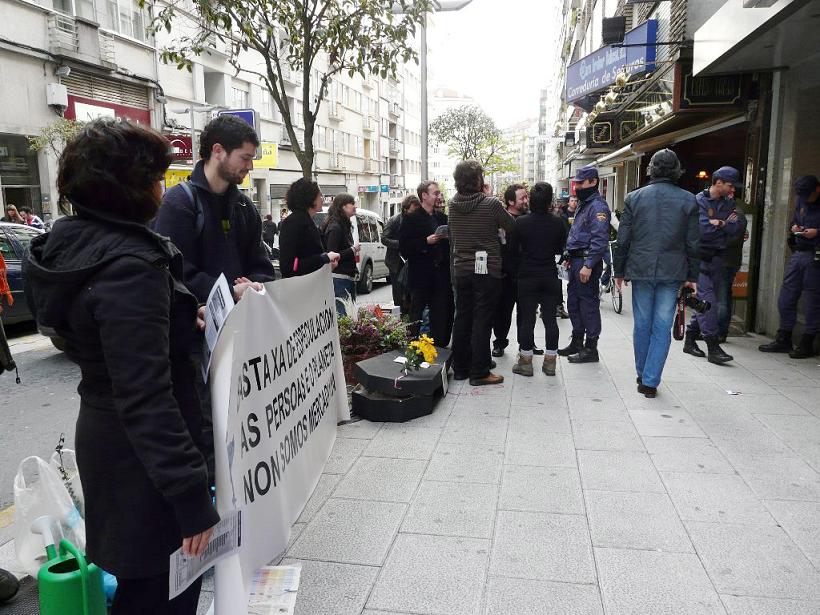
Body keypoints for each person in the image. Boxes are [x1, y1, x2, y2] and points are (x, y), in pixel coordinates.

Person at [24, 119, 218, 614]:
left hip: (110, 442)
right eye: (154, 178)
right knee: (164, 592)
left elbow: (111, 343)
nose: (160, 188)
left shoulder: (76, 246)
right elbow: (146, 396)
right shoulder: (130, 266)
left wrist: (179, 320)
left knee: (141, 586)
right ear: (126, 187)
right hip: (147, 464)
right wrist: (191, 497)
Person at [154, 114, 276, 304]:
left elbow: (263, 267)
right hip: (198, 328)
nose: (250, 166)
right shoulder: (177, 203)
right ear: (218, 150)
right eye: (245, 158)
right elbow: (175, 275)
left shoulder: (245, 207)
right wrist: (231, 291)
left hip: (245, 324)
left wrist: (254, 285)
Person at [614, 149, 700, 398]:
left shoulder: (634, 197)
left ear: (651, 169)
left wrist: (619, 270)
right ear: (676, 170)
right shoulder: (688, 200)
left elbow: (624, 239)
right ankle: (650, 381)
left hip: (640, 267)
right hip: (673, 270)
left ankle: (642, 373)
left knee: (642, 323)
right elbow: (693, 242)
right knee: (662, 326)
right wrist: (693, 276)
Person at [448, 160, 515, 385]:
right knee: (482, 320)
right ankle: (479, 371)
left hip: (461, 270)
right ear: (478, 180)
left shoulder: (452, 205)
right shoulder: (492, 204)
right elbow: (512, 226)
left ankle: (460, 367)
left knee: (463, 318)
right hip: (487, 271)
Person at [683, 166, 744, 364]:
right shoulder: (698, 201)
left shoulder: (729, 202)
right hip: (698, 260)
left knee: (705, 301)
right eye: (729, 185)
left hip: (718, 259)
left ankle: (690, 339)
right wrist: (721, 226)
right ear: (718, 182)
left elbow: (738, 228)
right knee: (708, 302)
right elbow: (703, 231)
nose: (732, 189)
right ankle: (712, 345)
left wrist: (722, 224)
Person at [759, 175, 820, 358]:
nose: (804, 199)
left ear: (817, 189)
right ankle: (784, 337)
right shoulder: (800, 199)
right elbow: (794, 218)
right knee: (786, 297)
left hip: (816, 255)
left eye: (807, 195)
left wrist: (817, 232)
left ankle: (807, 342)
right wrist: (795, 227)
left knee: (812, 301)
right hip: (799, 252)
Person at [509, 182, 566, 376]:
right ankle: (550, 362)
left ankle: (526, 362)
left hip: (527, 275)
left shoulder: (521, 223)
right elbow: (560, 249)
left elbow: (512, 250)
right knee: (550, 319)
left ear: (531, 200)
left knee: (527, 319)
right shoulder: (558, 222)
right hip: (549, 275)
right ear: (549, 201)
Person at [560, 166, 611, 363]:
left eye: (581, 183)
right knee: (573, 302)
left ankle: (591, 348)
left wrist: (589, 264)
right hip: (576, 260)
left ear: (593, 182)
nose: (577, 187)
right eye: (576, 183)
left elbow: (599, 239)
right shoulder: (584, 203)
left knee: (588, 305)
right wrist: (569, 254)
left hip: (586, 262)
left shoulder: (597, 206)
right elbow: (579, 234)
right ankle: (577, 341)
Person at [399, 181, 453, 346]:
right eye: (435, 193)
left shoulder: (442, 217)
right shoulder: (411, 219)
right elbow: (404, 248)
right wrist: (425, 242)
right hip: (421, 275)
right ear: (424, 195)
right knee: (416, 314)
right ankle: (412, 347)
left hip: (441, 276)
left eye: (439, 193)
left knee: (441, 314)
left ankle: (439, 349)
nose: (439, 196)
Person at [492, 184, 540, 357]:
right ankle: (499, 342)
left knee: (527, 312)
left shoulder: (530, 219)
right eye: (522, 198)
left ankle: (526, 343)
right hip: (505, 274)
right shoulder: (500, 219)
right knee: (502, 311)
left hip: (526, 273)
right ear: (511, 201)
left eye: (526, 197)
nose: (526, 200)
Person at [279, 178, 340, 278]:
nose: (323, 198)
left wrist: (327, 265)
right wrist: (324, 258)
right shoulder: (293, 222)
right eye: (320, 194)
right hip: (301, 289)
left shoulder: (308, 221)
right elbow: (289, 266)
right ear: (309, 197)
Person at [716, 186, 748, 342]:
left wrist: (719, 230)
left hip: (726, 261)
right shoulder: (725, 211)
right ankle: (719, 330)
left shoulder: (736, 214)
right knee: (722, 296)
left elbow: (732, 238)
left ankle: (720, 332)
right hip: (723, 260)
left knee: (722, 298)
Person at [322, 193, 361, 315]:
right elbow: (331, 254)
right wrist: (353, 250)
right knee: (343, 316)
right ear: (343, 206)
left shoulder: (343, 225)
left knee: (349, 315)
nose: (355, 206)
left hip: (346, 278)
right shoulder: (335, 227)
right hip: (339, 279)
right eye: (352, 203)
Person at [382, 195, 420, 310]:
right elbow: (384, 239)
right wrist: (400, 244)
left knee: (413, 292)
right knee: (398, 292)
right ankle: (401, 316)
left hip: (412, 261)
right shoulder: (394, 220)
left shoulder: (418, 221)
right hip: (396, 262)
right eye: (413, 211)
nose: (415, 214)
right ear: (405, 208)